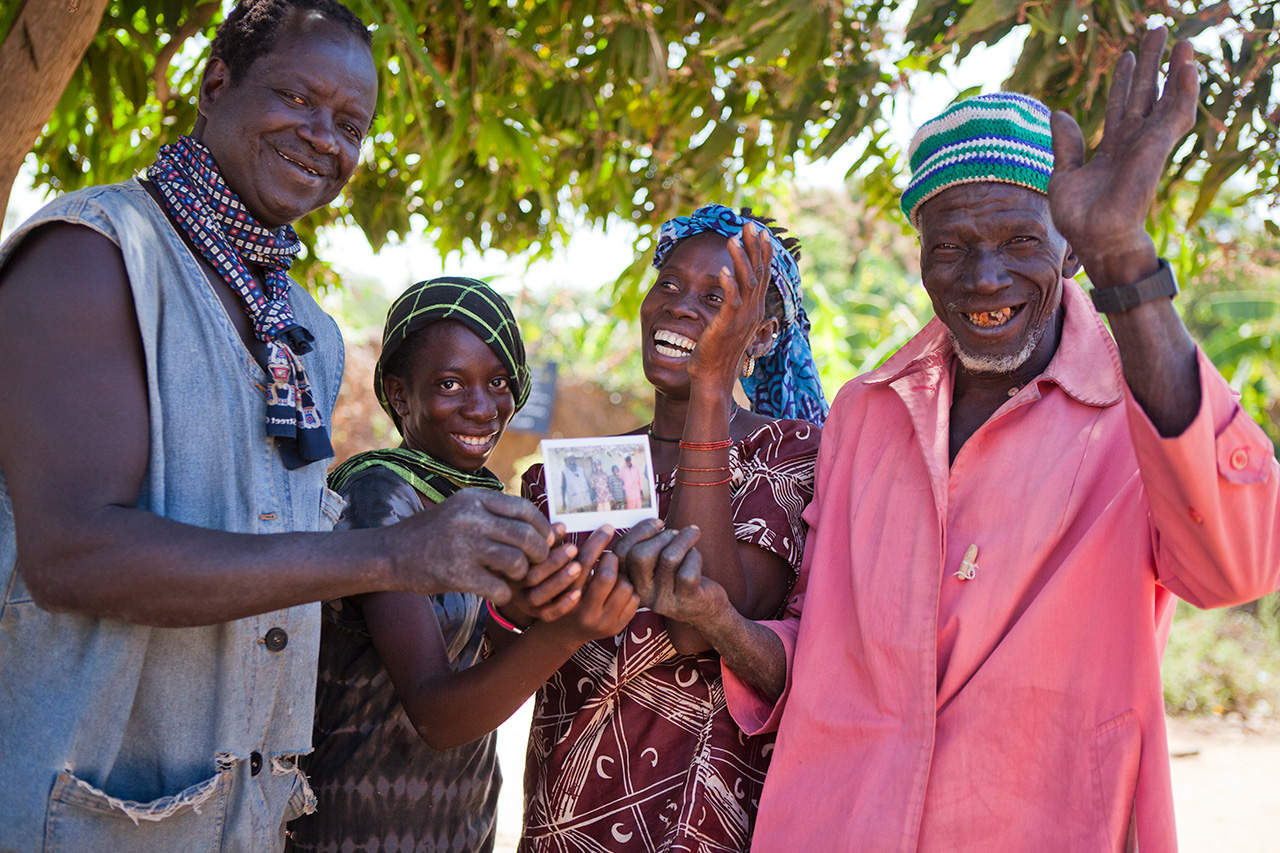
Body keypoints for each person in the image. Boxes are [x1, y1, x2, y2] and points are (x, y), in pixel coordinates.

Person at [623, 29, 1280, 850]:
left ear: (1072, 247)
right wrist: (721, 622)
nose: (985, 280)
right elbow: (829, 659)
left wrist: (1128, 262)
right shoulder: (866, 413)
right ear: (921, 256)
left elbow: (1237, 568)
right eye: (953, 249)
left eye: (1020, 242)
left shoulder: (1140, 403)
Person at [0, 3, 551, 850]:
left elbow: (273, 550)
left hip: (239, 819)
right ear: (216, 86)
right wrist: (394, 552)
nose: (323, 137)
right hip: (79, 809)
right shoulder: (94, 254)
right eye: (297, 97)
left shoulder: (303, 328)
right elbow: (72, 554)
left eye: (350, 124)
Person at [513, 204, 825, 852]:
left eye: (717, 297)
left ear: (763, 334)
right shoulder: (573, 472)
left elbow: (699, 620)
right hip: (564, 816)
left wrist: (711, 387)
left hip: (699, 827)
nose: (681, 305)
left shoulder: (793, 456)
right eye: (670, 283)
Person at [289, 278, 638, 853]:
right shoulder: (379, 496)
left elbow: (479, 647)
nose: (482, 408)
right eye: (450, 384)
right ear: (400, 394)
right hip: (360, 826)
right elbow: (436, 715)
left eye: (498, 382)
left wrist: (537, 602)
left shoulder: (482, 502)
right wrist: (570, 629)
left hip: (458, 823)